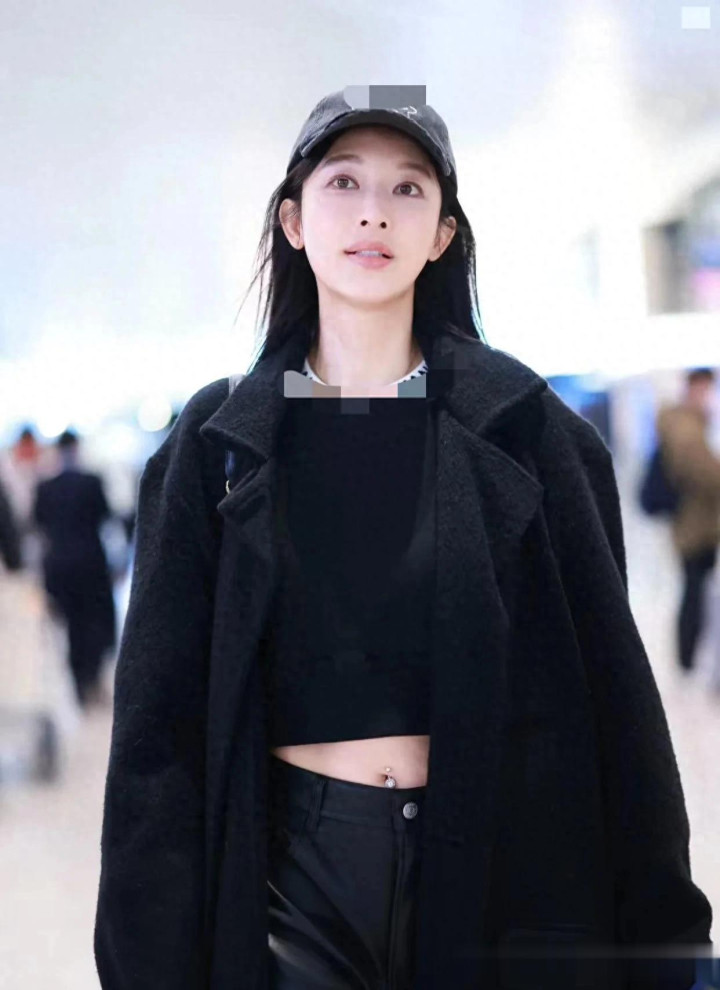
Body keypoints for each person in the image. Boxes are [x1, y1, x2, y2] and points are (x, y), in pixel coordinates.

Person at [94, 88, 713, 990]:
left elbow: (619, 704)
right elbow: (157, 732)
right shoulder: (216, 445)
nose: (374, 212)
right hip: (290, 882)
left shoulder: (532, 434)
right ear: (294, 221)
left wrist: (667, 943)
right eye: (344, 182)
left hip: (501, 867)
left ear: (443, 235)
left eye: (408, 189)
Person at [33, 430, 116, 709]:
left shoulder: (46, 487)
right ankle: (90, 678)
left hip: (59, 566)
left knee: (70, 626)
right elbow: (105, 517)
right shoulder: (91, 482)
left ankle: (79, 683)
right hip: (90, 563)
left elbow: (38, 525)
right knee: (93, 623)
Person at [657, 368, 720, 672]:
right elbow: (703, 474)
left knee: (696, 591)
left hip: (696, 524)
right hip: (694, 526)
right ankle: (686, 659)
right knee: (693, 592)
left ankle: (689, 657)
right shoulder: (686, 426)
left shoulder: (691, 422)